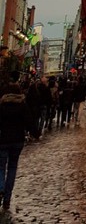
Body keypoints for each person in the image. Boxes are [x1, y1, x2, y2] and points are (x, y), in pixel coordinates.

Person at [0, 81, 37, 212]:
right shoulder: (22, 105)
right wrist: (35, 133)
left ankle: (1, 188)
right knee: (12, 168)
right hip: (17, 141)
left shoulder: (2, 105)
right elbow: (29, 121)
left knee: (0, 167)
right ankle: (7, 199)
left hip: (2, 141)